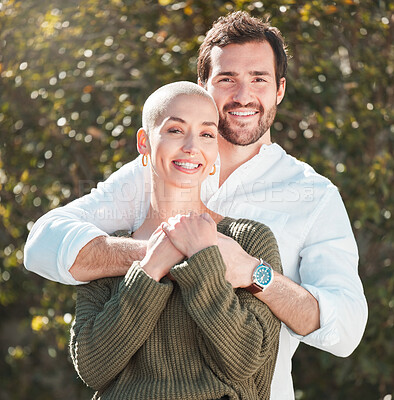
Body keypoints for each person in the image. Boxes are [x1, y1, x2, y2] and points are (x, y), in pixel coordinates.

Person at [24, 11, 368, 399]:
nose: (243, 95)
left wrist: (256, 275)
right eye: (227, 79)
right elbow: (42, 244)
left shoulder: (313, 195)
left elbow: (348, 330)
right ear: (203, 86)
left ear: (280, 89)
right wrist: (158, 253)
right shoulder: (152, 172)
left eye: (259, 79)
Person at [70, 81, 282, 400]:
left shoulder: (250, 240)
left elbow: (246, 363)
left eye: (207, 134)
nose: (191, 146)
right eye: (175, 130)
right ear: (144, 142)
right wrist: (149, 268)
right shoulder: (107, 251)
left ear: (215, 152)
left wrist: (203, 259)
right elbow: (92, 368)